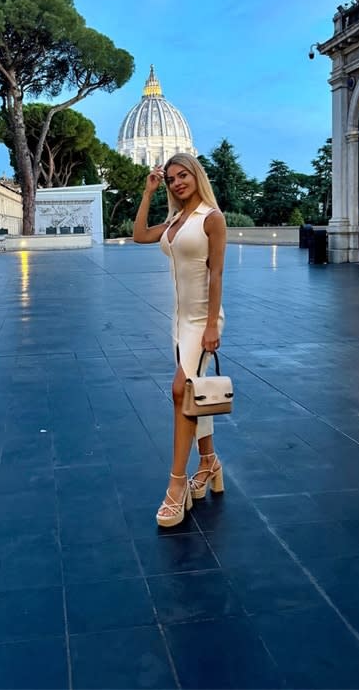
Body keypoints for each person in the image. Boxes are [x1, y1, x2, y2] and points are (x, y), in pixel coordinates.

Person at [133, 153, 227, 527]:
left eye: (182, 175)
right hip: (178, 320)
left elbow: (216, 275)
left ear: (196, 176)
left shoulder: (212, 219)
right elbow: (139, 234)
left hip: (202, 319)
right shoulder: (175, 219)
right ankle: (209, 462)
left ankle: (176, 486)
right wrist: (148, 192)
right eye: (170, 179)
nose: (176, 183)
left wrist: (211, 328)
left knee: (179, 390)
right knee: (193, 394)